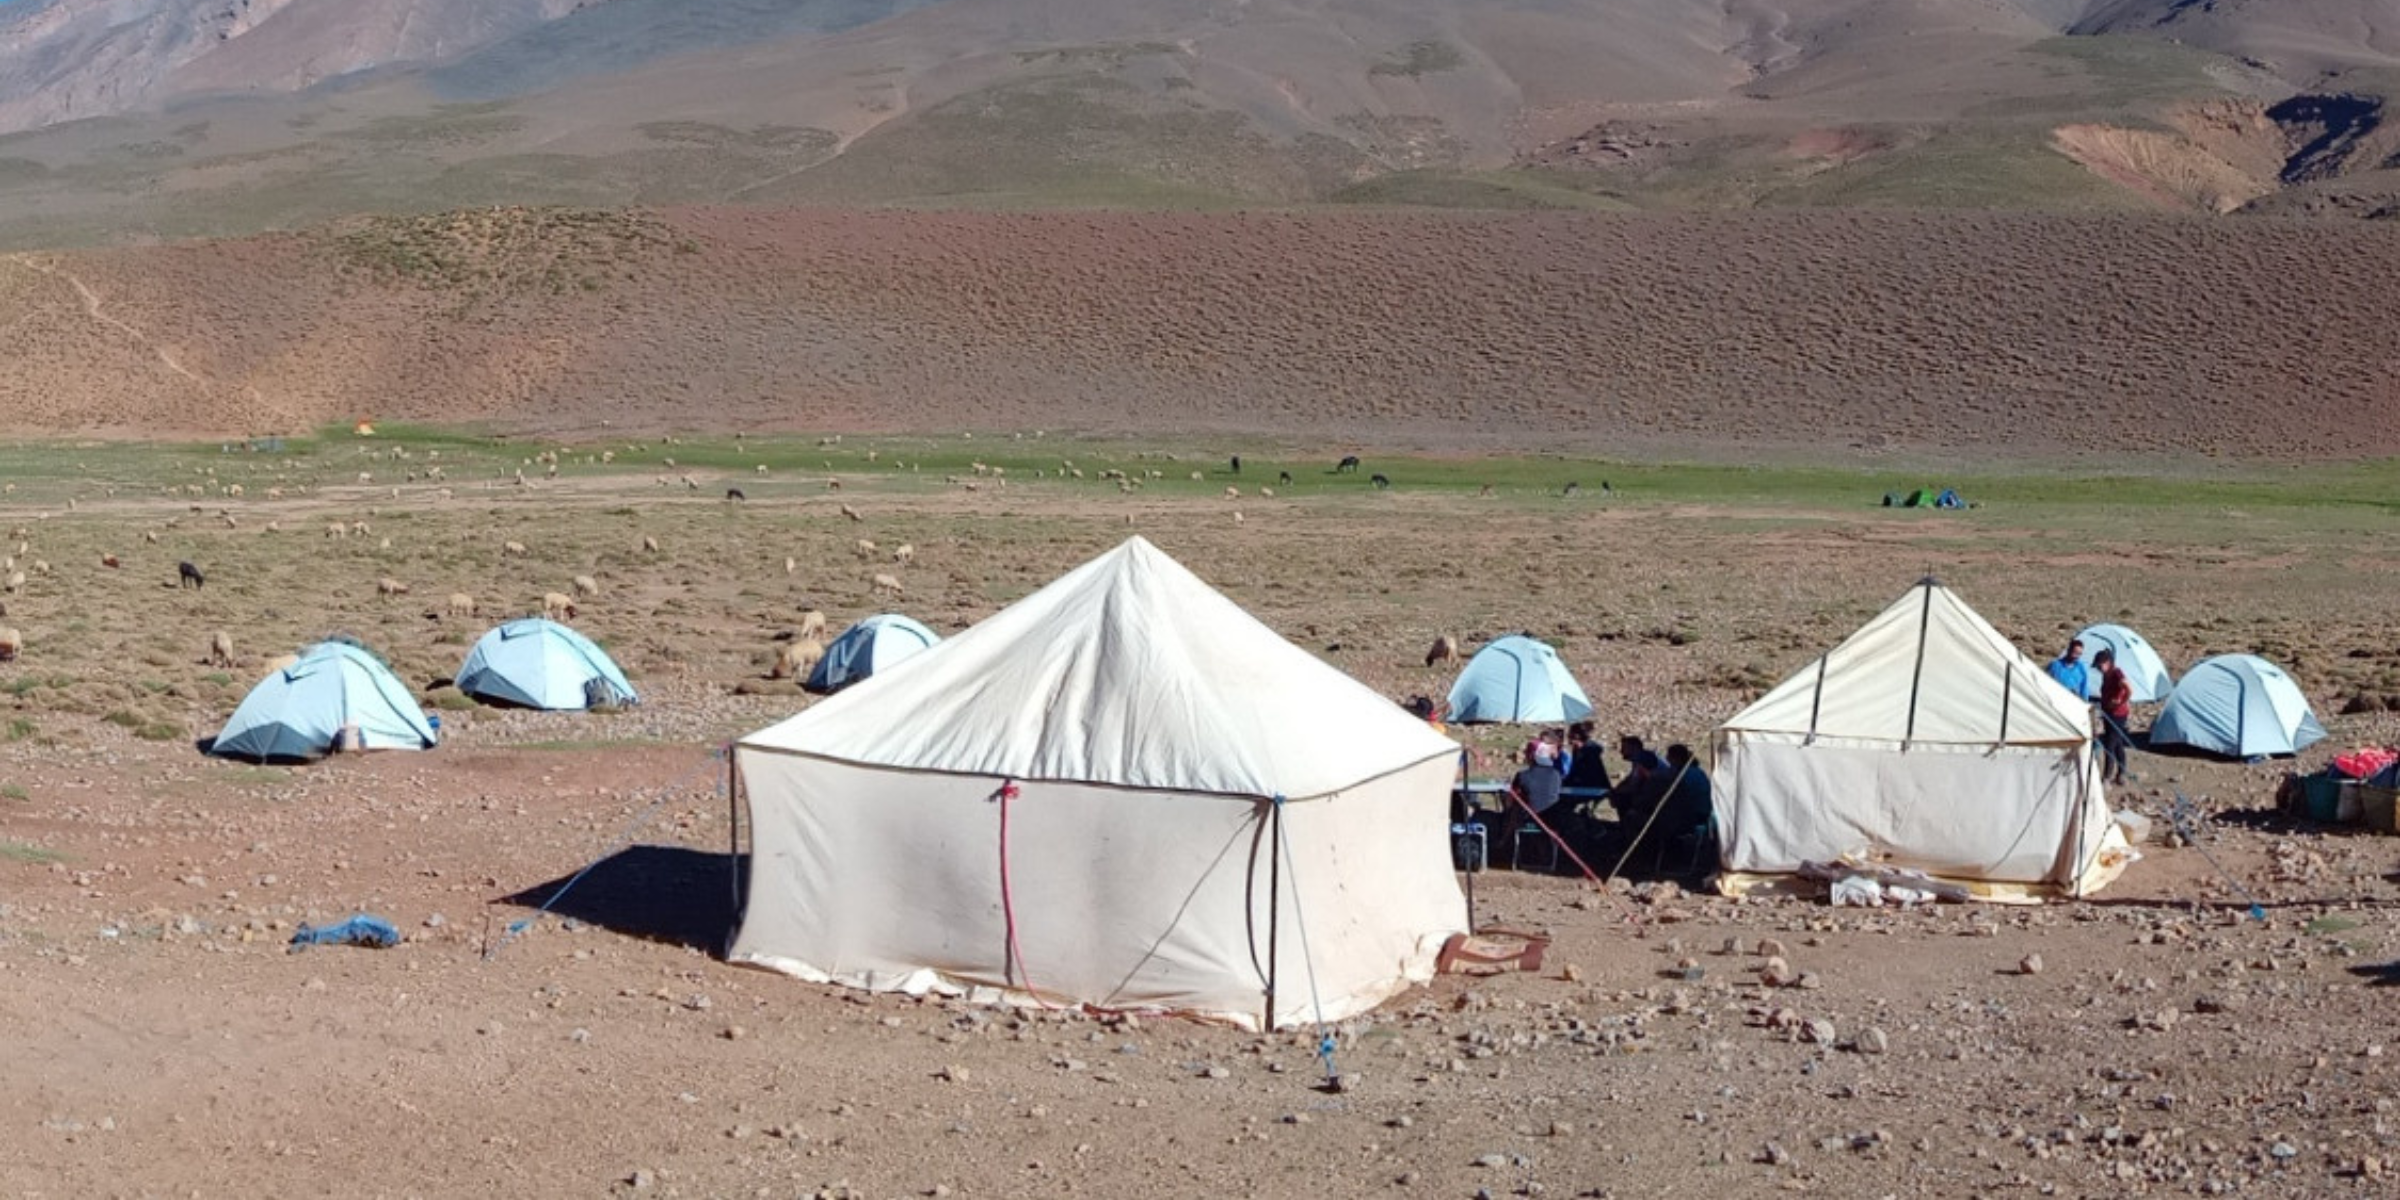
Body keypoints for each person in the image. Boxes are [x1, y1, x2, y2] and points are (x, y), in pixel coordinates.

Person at [1499, 740, 1564, 868]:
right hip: (1553, 820)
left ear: (1531, 756)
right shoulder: (1557, 775)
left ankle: (1502, 845)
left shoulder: (1522, 776)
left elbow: (1510, 800)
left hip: (1529, 820)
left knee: (1514, 811)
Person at [2093, 648, 2133, 785]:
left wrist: (2121, 701)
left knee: (2110, 744)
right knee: (2117, 744)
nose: (2099, 669)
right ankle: (2121, 773)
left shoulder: (2117, 673)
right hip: (2108, 712)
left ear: (2108, 662)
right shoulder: (2106, 675)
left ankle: (2107, 776)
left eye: (2100, 665)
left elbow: (2128, 688)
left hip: (2118, 714)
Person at [1564, 721, 1613, 792]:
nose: (1568, 737)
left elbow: (1593, 773)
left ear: (1577, 736)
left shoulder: (1591, 750)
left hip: (1594, 789)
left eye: (1570, 734)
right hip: (1581, 787)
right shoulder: (1577, 750)